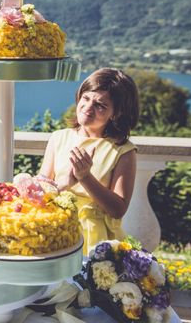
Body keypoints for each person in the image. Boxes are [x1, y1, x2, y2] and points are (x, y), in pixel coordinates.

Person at [39, 68, 140, 254]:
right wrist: (63, 184)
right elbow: (39, 191)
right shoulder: (58, 138)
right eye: (86, 98)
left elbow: (118, 209)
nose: (88, 107)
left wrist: (85, 178)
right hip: (57, 230)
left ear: (116, 113)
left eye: (100, 105)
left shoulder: (123, 151)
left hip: (97, 239)